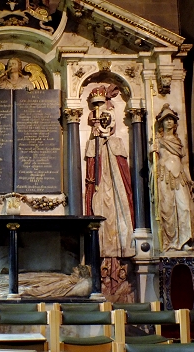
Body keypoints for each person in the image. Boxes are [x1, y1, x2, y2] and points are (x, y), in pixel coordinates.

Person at [84, 84, 135, 258]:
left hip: (114, 191)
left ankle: (122, 244)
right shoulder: (94, 145)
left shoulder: (116, 144)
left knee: (115, 207)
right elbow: (92, 177)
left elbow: (124, 179)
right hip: (101, 188)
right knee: (100, 204)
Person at [151, 103, 194, 252]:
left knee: (185, 208)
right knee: (167, 209)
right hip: (165, 176)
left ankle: (185, 241)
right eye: (166, 119)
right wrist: (151, 152)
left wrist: (190, 180)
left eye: (171, 119)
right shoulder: (158, 141)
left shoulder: (178, 142)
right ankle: (170, 242)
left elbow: (184, 163)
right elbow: (153, 161)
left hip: (180, 177)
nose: (169, 122)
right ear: (162, 123)